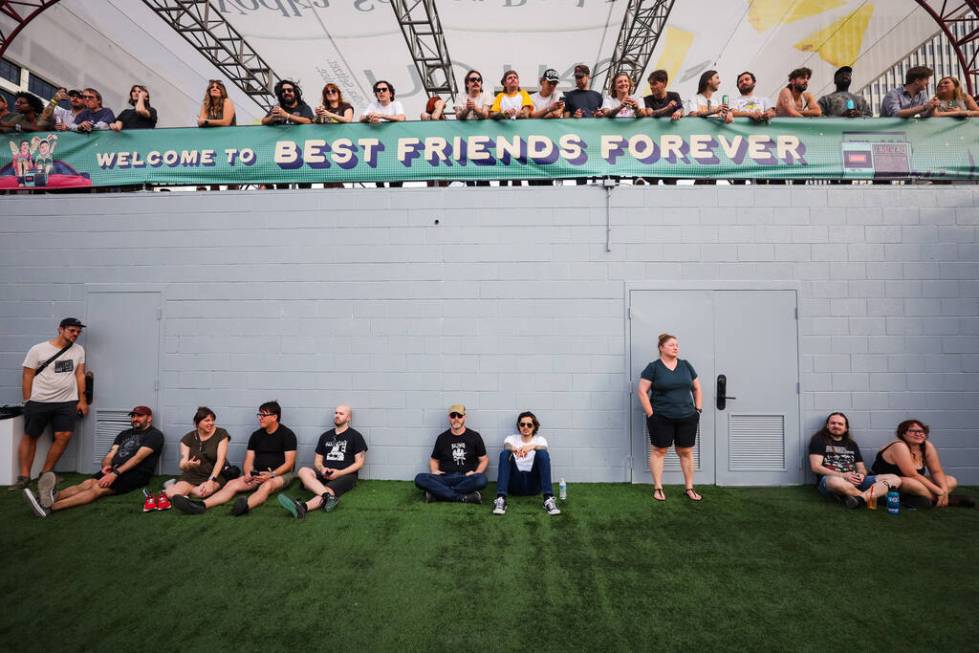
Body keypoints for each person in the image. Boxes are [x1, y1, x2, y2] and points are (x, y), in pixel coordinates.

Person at [23, 405, 165, 518]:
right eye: (133, 416)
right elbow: (111, 454)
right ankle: (52, 497)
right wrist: (107, 465)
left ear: (149, 418)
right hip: (115, 469)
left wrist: (114, 474)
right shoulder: (124, 434)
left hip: (136, 474)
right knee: (87, 483)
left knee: (97, 488)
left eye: (140, 416)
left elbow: (137, 458)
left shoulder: (155, 435)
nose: (135, 418)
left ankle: (50, 508)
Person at [172, 401, 297, 516]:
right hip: (257, 475)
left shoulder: (287, 435)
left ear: (274, 417)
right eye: (259, 414)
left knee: (267, 486)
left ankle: (245, 506)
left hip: (279, 475)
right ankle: (202, 505)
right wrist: (248, 473)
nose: (260, 418)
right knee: (232, 483)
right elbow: (249, 459)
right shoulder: (256, 435)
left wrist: (271, 474)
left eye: (263, 415)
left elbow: (289, 464)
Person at [13, 318, 88, 491]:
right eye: (72, 330)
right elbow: (27, 375)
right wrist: (27, 400)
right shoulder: (38, 349)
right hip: (39, 401)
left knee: (64, 435)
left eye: (78, 331)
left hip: (66, 402)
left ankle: (46, 474)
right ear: (60, 329)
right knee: (31, 436)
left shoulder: (78, 350)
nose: (75, 334)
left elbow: (80, 375)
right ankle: (24, 476)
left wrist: (82, 400)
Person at [636, 333, 703, 502]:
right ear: (661, 348)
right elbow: (642, 391)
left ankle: (689, 488)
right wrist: (651, 414)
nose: (676, 347)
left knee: (686, 451)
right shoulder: (653, 367)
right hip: (661, 417)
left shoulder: (686, 365)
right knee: (659, 451)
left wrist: (698, 410)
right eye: (672, 344)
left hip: (687, 416)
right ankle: (658, 488)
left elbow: (697, 388)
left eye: (677, 345)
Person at [278, 404, 368, 518]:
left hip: (346, 475)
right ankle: (328, 497)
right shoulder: (325, 436)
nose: (337, 415)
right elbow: (317, 461)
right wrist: (322, 469)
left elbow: (359, 463)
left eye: (341, 413)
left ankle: (304, 507)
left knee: (329, 489)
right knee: (303, 470)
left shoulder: (356, 436)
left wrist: (340, 473)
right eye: (336, 413)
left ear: (348, 418)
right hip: (325, 473)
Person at [871, 419, 973, 509]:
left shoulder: (927, 446)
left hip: (913, 483)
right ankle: (947, 500)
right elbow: (911, 474)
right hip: (889, 482)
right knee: (912, 483)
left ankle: (917, 499)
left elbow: (936, 471)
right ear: (903, 433)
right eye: (913, 431)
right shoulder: (899, 446)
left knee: (951, 480)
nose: (919, 434)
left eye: (922, 431)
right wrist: (939, 491)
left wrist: (944, 491)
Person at [808, 412, 901, 508]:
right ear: (827, 426)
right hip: (832, 479)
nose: (836, 426)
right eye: (833, 423)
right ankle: (874, 499)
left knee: (895, 479)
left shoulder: (851, 444)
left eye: (840, 424)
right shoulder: (818, 440)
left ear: (846, 428)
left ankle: (860, 499)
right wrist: (844, 475)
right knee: (834, 481)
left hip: (854, 479)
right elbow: (816, 467)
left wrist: (861, 475)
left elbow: (861, 468)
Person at [414, 404, 488, 504]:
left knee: (481, 479)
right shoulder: (442, 438)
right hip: (444, 478)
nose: (456, 419)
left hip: (465, 478)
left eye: (459, 416)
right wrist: (434, 470)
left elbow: (484, 460)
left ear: (464, 417)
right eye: (453, 416)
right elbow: (434, 460)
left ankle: (438, 493)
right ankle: (463, 497)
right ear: (449, 417)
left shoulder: (474, 436)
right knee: (420, 478)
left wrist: (476, 473)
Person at [492, 412, 560, 516]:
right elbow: (506, 445)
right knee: (505, 453)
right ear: (519, 426)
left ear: (534, 426)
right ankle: (501, 499)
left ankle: (548, 499)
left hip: (534, 485)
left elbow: (543, 448)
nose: (525, 427)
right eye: (522, 424)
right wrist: (513, 449)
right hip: (515, 483)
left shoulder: (539, 440)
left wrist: (531, 447)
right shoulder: (512, 438)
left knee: (543, 454)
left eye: (529, 425)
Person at [163, 406, 231, 506]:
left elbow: (220, 460)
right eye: (207, 420)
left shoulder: (221, 433)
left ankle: (178, 489)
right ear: (197, 423)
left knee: (203, 493)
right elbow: (182, 464)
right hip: (191, 475)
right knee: (170, 494)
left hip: (213, 475)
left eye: (212, 420)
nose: (211, 423)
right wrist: (188, 465)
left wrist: (211, 481)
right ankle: (173, 489)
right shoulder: (187, 438)